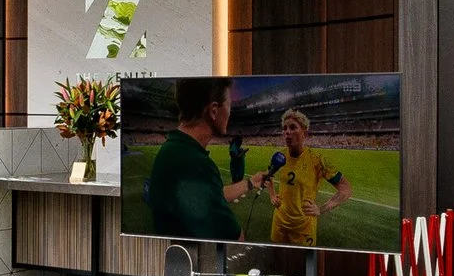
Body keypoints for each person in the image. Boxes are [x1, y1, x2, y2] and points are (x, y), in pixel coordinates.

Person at [144, 78, 263, 240]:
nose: (230, 112)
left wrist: (250, 183)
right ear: (214, 111)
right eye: (229, 105)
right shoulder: (196, 164)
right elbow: (234, 239)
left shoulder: (173, 148)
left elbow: (212, 195)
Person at [264, 109, 351, 246]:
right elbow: (268, 175)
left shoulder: (317, 161)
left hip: (303, 228)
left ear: (304, 133)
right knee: (276, 257)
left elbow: (346, 189)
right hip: (279, 223)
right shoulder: (280, 156)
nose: (287, 132)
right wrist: (272, 195)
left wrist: (321, 209)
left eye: (293, 127)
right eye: (285, 128)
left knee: (302, 259)